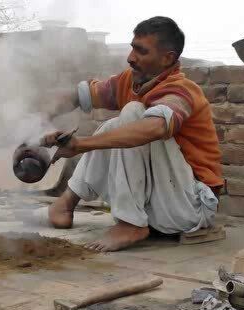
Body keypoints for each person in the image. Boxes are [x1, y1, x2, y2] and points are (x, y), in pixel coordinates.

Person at [41, 16, 223, 252]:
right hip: (158, 205)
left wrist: (82, 144)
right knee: (112, 128)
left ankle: (130, 224)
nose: (130, 58)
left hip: (190, 207)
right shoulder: (131, 81)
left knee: (134, 114)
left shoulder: (182, 90)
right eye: (132, 48)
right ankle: (66, 204)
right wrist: (40, 121)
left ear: (167, 58)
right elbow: (79, 95)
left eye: (141, 51)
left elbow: (155, 127)